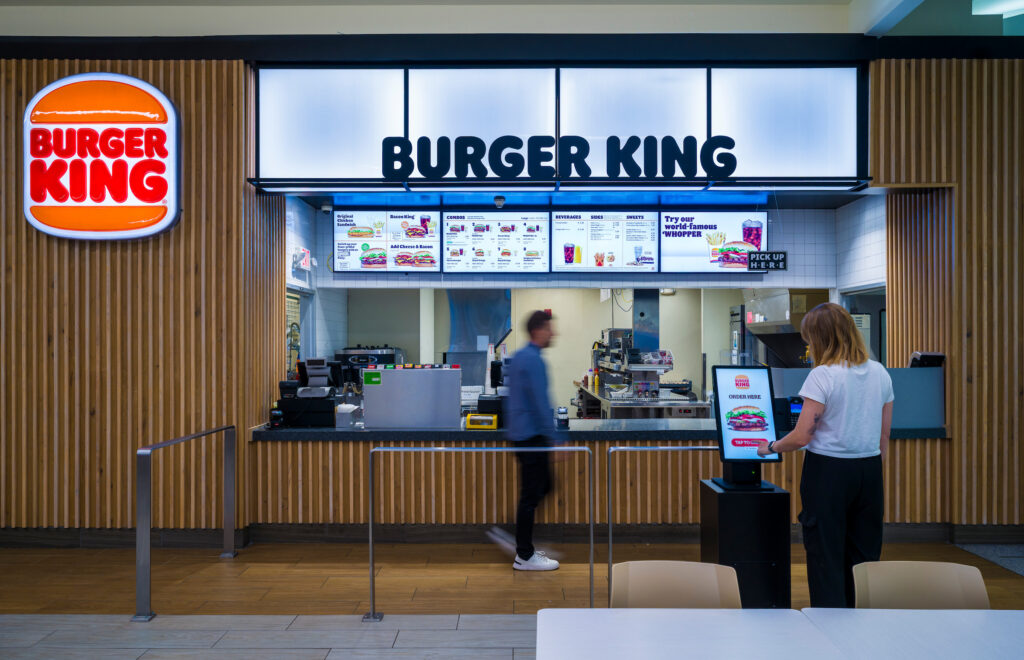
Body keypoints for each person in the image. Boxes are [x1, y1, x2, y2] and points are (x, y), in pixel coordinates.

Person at [757, 302, 893, 607]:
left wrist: (771, 447)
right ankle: (861, 621)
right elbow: (884, 436)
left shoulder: (823, 376)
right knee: (864, 554)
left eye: (809, 339)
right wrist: (868, 470)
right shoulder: (880, 373)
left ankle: (829, 626)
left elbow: (803, 434)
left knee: (825, 554)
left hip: (828, 473)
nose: (808, 345)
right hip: (869, 471)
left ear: (821, 338)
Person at [504, 310, 560, 571]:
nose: (553, 333)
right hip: (531, 437)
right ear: (538, 330)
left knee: (542, 487)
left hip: (522, 436)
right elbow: (541, 403)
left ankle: (524, 545)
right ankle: (524, 555)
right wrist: (558, 438)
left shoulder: (520, 357)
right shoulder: (533, 360)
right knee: (531, 496)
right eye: (549, 328)